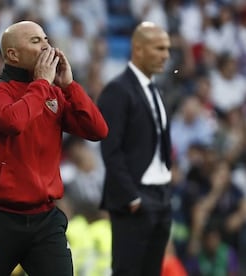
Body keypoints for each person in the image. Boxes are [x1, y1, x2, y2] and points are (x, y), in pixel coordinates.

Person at [0, 20, 108, 275]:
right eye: (35, 41)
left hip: (44, 218)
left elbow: (98, 130)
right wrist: (43, 84)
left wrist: (69, 86)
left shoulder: (52, 93)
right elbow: (15, 122)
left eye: (45, 39)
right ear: (13, 54)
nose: (47, 46)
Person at [97, 21, 172, 276]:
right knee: (127, 271)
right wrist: (132, 196)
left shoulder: (155, 90)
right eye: (159, 48)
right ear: (138, 49)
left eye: (168, 49)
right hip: (135, 199)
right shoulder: (117, 90)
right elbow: (110, 149)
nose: (166, 55)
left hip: (161, 196)